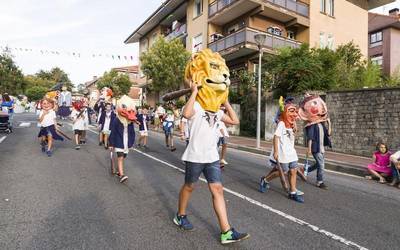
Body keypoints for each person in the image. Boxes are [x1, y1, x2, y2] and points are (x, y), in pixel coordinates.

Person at [173, 84, 249, 244]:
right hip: (195, 155)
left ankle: (226, 231)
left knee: (218, 189)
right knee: (189, 186)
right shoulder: (196, 106)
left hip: (212, 156)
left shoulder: (217, 110)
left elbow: (234, 121)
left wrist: (226, 102)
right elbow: (186, 114)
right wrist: (194, 91)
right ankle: (180, 215)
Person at [259, 97, 304, 203]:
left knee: (293, 171)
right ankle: (265, 180)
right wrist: (276, 151)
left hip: (291, 152)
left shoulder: (292, 124)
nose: (294, 114)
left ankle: (292, 192)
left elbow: (294, 135)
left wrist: (295, 127)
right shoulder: (281, 124)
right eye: (291, 111)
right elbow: (276, 137)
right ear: (285, 113)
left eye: (295, 112)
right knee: (282, 172)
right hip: (283, 152)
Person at [299, 95, 331, 190]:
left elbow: (328, 133)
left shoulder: (321, 125)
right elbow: (310, 138)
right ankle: (319, 181)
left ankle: (304, 170)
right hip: (315, 148)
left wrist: (329, 123)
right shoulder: (312, 125)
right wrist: (309, 149)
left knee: (318, 164)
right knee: (321, 165)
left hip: (321, 148)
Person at [109, 95, 137, 183]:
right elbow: (113, 132)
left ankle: (119, 171)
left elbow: (132, 132)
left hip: (126, 141)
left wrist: (131, 143)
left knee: (123, 156)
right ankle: (122, 174)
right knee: (120, 157)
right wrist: (111, 144)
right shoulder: (117, 120)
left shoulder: (130, 122)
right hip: (118, 141)